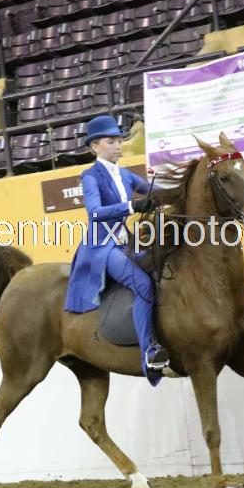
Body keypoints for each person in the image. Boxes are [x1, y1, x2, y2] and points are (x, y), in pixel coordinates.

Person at [63, 115, 167, 385]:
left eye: (120, 141)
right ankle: (148, 353)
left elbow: (155, 191)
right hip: (102, 246)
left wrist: (184, 187)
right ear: (95, 147)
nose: (119, 146)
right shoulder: (90, 176)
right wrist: (132, 206)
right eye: (111, 141)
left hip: (124, 242)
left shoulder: (124, 174)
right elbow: (95, 213)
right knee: (143, 285)